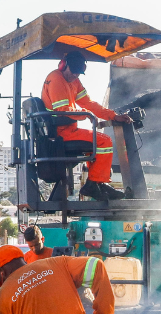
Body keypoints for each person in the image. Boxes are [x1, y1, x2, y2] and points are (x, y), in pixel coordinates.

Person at [42, 51, 133, 202]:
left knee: (98, 143)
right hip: (60, 132)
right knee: (104, 142)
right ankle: (93, 184)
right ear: (64, 65)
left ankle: (97, 183)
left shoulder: (74, 81)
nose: (75, 76)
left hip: (68, 130)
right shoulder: (56, 80)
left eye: (78, 73)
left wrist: (113, 116)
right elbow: (62, 112)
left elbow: (88, 103)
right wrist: (85, 114)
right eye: (73, 72)